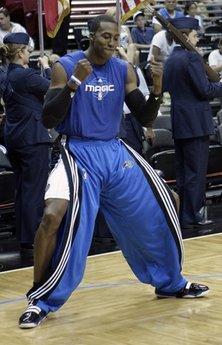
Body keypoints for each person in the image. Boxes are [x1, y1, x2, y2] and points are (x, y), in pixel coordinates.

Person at [18, 15, 209, 329]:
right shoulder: (65, 66)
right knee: (52, 216)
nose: (111, 42)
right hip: (77, 150)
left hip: (113, 150)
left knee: (165, 201)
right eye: (105, 36)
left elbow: (145, 116)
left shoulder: (124, 70)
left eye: (116, 37)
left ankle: (171, 282)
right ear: (91, 35)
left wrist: (158, 89)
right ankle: (39, 300)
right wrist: (73, 84)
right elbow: (49, 119)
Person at [163, 17, 222, 229]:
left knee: (184, 172)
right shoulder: (192, 58)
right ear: (185, 36)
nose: (197, 38)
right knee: (196, 172)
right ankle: (193, 215)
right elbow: (205, 90)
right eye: (195, 34)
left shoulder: (170, 59)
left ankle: (184, 215)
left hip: (180, 122)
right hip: (196, 122)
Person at [0, 32, 51, 256]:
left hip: (14, 138)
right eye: (28, 51)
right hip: (33, 138)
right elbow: (54, 89)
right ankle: (32, 239)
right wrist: (48, 67)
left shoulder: (4, 75)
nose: (30, 55)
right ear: (21, 52)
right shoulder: (26, 76)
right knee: (34, 190)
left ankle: (24, 237)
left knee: (23, 190)